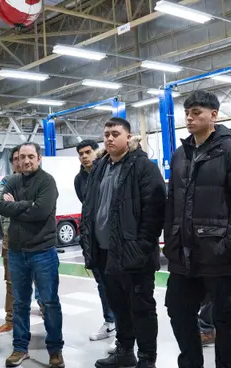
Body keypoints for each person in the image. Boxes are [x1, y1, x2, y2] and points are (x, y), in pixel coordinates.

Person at [163, 90, 231, 368]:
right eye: (187, 113)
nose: (190, 118)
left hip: (222, 254)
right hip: (184, 254)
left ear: (213, 115)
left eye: (197, 113)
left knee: (227, 321)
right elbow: (173, 201)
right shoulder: (181, 153)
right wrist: (171, 240)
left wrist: (230, 244)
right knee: (178, 310)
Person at [80, 117, 166, 368]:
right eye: (106, 134)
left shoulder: (143, 167)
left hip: (134, 254)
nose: (109, 138)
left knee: (142, 309)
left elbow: (155, 211)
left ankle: (147, 359)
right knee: (119, 307)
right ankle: (125, 351)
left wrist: (141, 247)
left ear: (128, 138)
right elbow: (89, 208)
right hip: (105, 253)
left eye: (115, 134)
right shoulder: (99, 167)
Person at [0, 142, 64, 368]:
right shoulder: (13, 181)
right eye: (22, 157)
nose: (26, 161)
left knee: (50, 302)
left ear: (39, 158)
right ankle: (20, 348)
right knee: (20, 303)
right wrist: (26, 206)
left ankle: (55, 350)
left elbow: (41, 211)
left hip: (42, 252)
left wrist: (16, 206)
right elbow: (0, 206)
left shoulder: (47, 182)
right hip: (16, 253)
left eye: (31, 156)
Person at [75, 139, 117, 342]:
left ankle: (125, 327)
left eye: (87, 152)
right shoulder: (79, 179)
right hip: (93, 240)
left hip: (113, 238)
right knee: (102, 283)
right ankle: (110, 322)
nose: (84, 156)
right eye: (81, 153)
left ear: (96, 152)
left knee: (120, 284)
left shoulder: (108, 171)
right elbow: (87, 208)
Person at [0, 145, 21, 338]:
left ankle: (46, 315)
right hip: (9, 241)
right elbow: (0, 204)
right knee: (11, 282)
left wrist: (15, 203)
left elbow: (39, 206)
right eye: (17, 158)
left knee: (43, 283)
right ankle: (10, 320)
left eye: (26, 157)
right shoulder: (6, 181)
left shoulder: (41, 181)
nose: (21, 161)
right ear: (12, 162)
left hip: (36, 241)